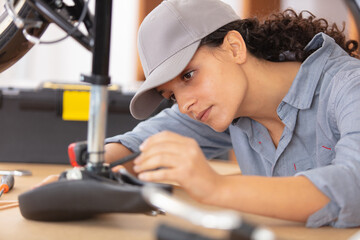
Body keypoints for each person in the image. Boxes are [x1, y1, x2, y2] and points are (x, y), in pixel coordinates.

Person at [40, 0, 360, 228]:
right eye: (171, 95)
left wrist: (215, 188)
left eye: (188, 75)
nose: (185, 104)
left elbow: (353, 186)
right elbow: (143, 144)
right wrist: (88, 173)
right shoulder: (226, 109)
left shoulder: (348, 86)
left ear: (234, 48)